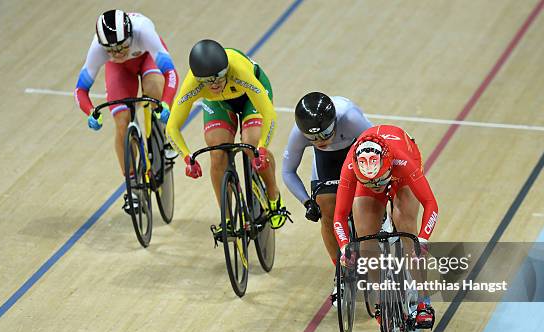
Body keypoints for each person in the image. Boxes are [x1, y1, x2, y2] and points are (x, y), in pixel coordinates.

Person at [166, 39, 288, 234]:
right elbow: (172, 127)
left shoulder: (239, 71)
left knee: (252, 144)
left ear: (226, 70)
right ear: (198, 78)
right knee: (217, 153)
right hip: (220, 104)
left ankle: (273, 195)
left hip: (250, 98)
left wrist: (263, 148)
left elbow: (269, 114)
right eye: (207, 81)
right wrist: (187, 158)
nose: (213, 84)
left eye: (218, 77)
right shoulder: (193, 83)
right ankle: (228, 218)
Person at [333, 125, 439, 328]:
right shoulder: (351, 166)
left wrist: (423, 239)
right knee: (365, 241)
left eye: (379, 181)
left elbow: (431, 204)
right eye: (371, 182)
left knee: (407, 229)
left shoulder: (402, 161)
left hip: (400, 175)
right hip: (374, 174)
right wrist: (345, 246)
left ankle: (423, 301)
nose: (377, 187)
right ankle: (382, 298)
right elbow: (338, 215)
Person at [74, 10, 178, 212]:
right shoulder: (98, 47)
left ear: (130, 35)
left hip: (148, 58)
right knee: (122, 124)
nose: (118, 53)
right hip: (120, 71)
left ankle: (165, 135)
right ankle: (132, 186)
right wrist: (90, 111)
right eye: (111, 51)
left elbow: (171, 73)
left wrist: (165, 102)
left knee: (155, 90)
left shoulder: (144, 31)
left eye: (122, 47)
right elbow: (80, 90)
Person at [282, 92, 372, 303]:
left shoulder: (350, 119)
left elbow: (379, 144)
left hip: (356, 153)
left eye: (324, 134)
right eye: (312, 138)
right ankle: (342, 274)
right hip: (326, 163)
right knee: (327, 212)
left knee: (366, 207)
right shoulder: (298, 133)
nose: (319, 141)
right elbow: (288, 172)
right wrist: (307, 201)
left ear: (335, 123)